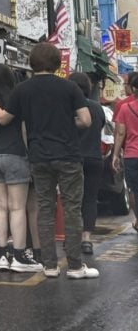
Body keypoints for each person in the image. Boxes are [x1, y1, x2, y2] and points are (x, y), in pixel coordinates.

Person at [0, 43, 96, 279]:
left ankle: (49, 265)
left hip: (38, 156)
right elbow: (86, 120)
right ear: (58, 63)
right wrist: (69, 125)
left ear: (32, 63)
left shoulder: (22, 89)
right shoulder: (70, 87)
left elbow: (7, 119)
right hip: (68, 154)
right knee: (71, 209)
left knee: (44, 210)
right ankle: (76, 266)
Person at [0, 64, 40, 272]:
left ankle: (2, 255)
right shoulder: (18, 100)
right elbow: (23, 130)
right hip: (15, 155)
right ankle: (20, 255)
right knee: (17, 207)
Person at [69, 73, 106, 256]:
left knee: (72, 200)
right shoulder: (97, 108)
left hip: (73, 158)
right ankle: (86, 239)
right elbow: (99, 127)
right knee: (90, 199)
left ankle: (72, 239)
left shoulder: (68, 109)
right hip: (94, 158)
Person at [113, 73, 138, 233]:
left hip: (132, 155)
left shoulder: (124, 107)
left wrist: (115, 155)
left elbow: (120, 133)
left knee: (134, 190)